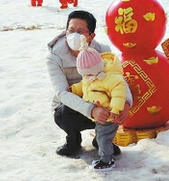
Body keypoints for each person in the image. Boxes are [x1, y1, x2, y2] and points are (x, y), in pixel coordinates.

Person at [46, 10, 132, 163]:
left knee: (115, 102)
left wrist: (126, 103)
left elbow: (118, 78)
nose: (74, 35)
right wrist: (91, 110)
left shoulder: (103, 51)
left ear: (91, 36)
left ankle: (102, 140)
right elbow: (61, 93)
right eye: (71, 31)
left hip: (100, 99)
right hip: (72, 105)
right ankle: (73, 140)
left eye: (80, 32)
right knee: (63, 114)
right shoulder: (55, 57)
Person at [69, 39, 129, 170]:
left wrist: (116, 109)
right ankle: (107, 152)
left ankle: (107, 160)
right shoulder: (89, 77)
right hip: (99, 116)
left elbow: (119, 92)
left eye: (89, 73)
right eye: (84, 74)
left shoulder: (110, 77)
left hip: (109, 115)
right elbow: (83, 86)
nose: (87, 77)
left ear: (97, 68)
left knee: (103, 137)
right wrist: (74, 89)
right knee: (100, 135)